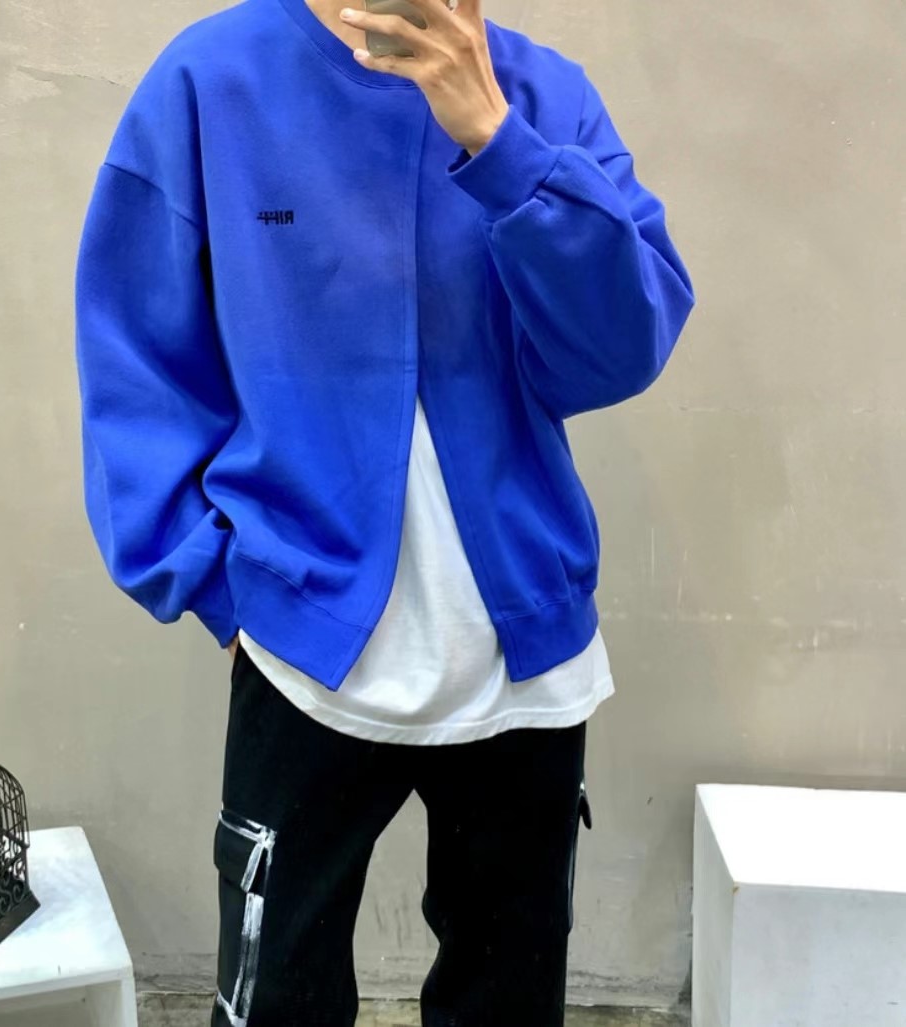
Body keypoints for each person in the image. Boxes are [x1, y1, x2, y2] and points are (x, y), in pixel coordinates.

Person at [74, 0, 695, 1022]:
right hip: (298, 643)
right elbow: (135, 355)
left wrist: (494, 139)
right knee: (277, 1003)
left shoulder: (542, 96)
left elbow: (619, 349)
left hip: (521, 656)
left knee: (506, 1003)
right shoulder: (212, 82)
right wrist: (211, 582)